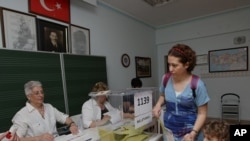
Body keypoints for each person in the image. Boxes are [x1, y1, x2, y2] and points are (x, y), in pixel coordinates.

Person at [152, 44, 210, 141]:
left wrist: (193, 133)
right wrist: (158, 104)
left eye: (174, 65)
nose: (170, 69)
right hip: (169, 131)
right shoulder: (165, 79)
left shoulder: (197, 85)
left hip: (190, 133)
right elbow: (163, 95)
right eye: (169, 64)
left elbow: (202, 114)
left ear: (186, 65)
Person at [11, 80, 78, 141]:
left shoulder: (49, 107)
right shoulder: (21, 115)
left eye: (42, 92)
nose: (41, 95)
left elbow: (64, 118)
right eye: (37, 93)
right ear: (28, 96)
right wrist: (38, 138)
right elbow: (14, 139)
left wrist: (72, 124)